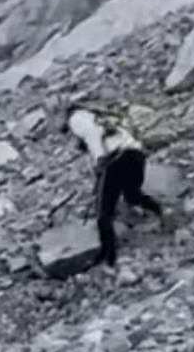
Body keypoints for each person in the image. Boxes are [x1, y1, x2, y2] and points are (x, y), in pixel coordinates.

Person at [66, 103, 163, 268]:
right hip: (135, 154)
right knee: (132, 194)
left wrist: (99, 161)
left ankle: (108, 257)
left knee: (103, 215)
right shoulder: (99, 115)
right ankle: (161, 212)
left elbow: (93, 136)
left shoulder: (76, 119)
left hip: (115, 159)